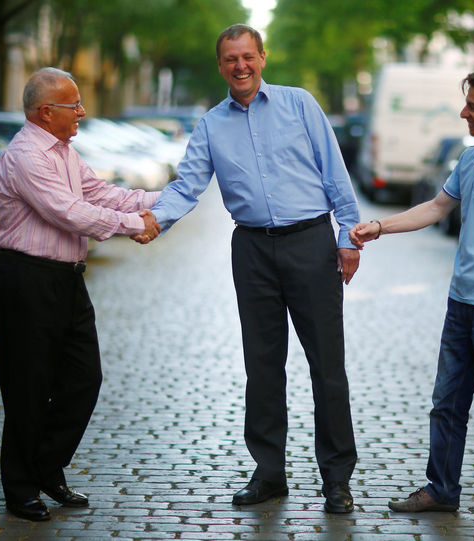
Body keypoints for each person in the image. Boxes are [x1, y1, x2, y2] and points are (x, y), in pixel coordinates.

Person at [146, 24, 360, 514]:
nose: (240, 66)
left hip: (311, 242)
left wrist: (349, 237)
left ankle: (336, 479)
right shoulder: (210, 125)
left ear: (262, 58)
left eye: (248, 57)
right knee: (262, 367)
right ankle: (269, 474)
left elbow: (334, 172)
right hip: (252, 251)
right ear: (221, 66)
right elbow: (186, 186)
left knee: (327, 366)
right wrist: (154, 221)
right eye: (230, 59)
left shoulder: (300, 104)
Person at [350, 66, 474, 527]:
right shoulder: (470, 160)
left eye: (473, 107)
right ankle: (442, 490)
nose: (464, 113)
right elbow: (437, 207)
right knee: (446, 405)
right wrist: (380, 227)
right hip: (460, 304)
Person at [0, 67, 162, 521]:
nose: (82, 112)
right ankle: (20, 488)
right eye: (75, 105)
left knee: (84, 380)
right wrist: (134, 227)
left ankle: (46, 467)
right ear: (47, 112)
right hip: (27, 280)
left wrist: (163, 200)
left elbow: (99, 193)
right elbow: (68, 212)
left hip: (66, 279)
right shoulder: (27, 155)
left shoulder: (64, 151)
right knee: (28, 387)